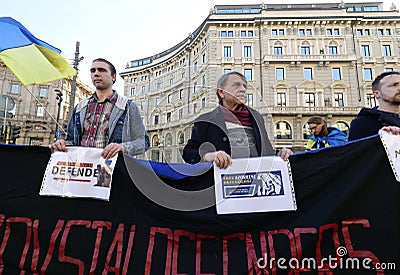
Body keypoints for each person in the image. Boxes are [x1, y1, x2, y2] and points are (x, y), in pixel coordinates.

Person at [182, 71, 292, 169]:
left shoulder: (257, 117)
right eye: (236, 85)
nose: (243, 89)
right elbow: (188, 153)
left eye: (245, 86)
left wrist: (280, 153)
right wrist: (209, 156)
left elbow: (267, 151)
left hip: (255, 185)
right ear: (221, 92)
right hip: (220, 187)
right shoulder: (205, 121)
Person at [49, 58, 146, 159]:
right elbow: (71, 140)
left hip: (113, 170)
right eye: (93, 70)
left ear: (113, 77)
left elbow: (143, 141)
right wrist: (62, 143)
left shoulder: (127, 106)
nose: (96, 73)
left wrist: (123, 147)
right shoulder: (80, 107)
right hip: (81, 169)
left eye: (101, 70)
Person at [348, 71, 400, 141]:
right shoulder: (362, 123)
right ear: (377, 93)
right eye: (394, 85)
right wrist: (380, 139)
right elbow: (357, 150)